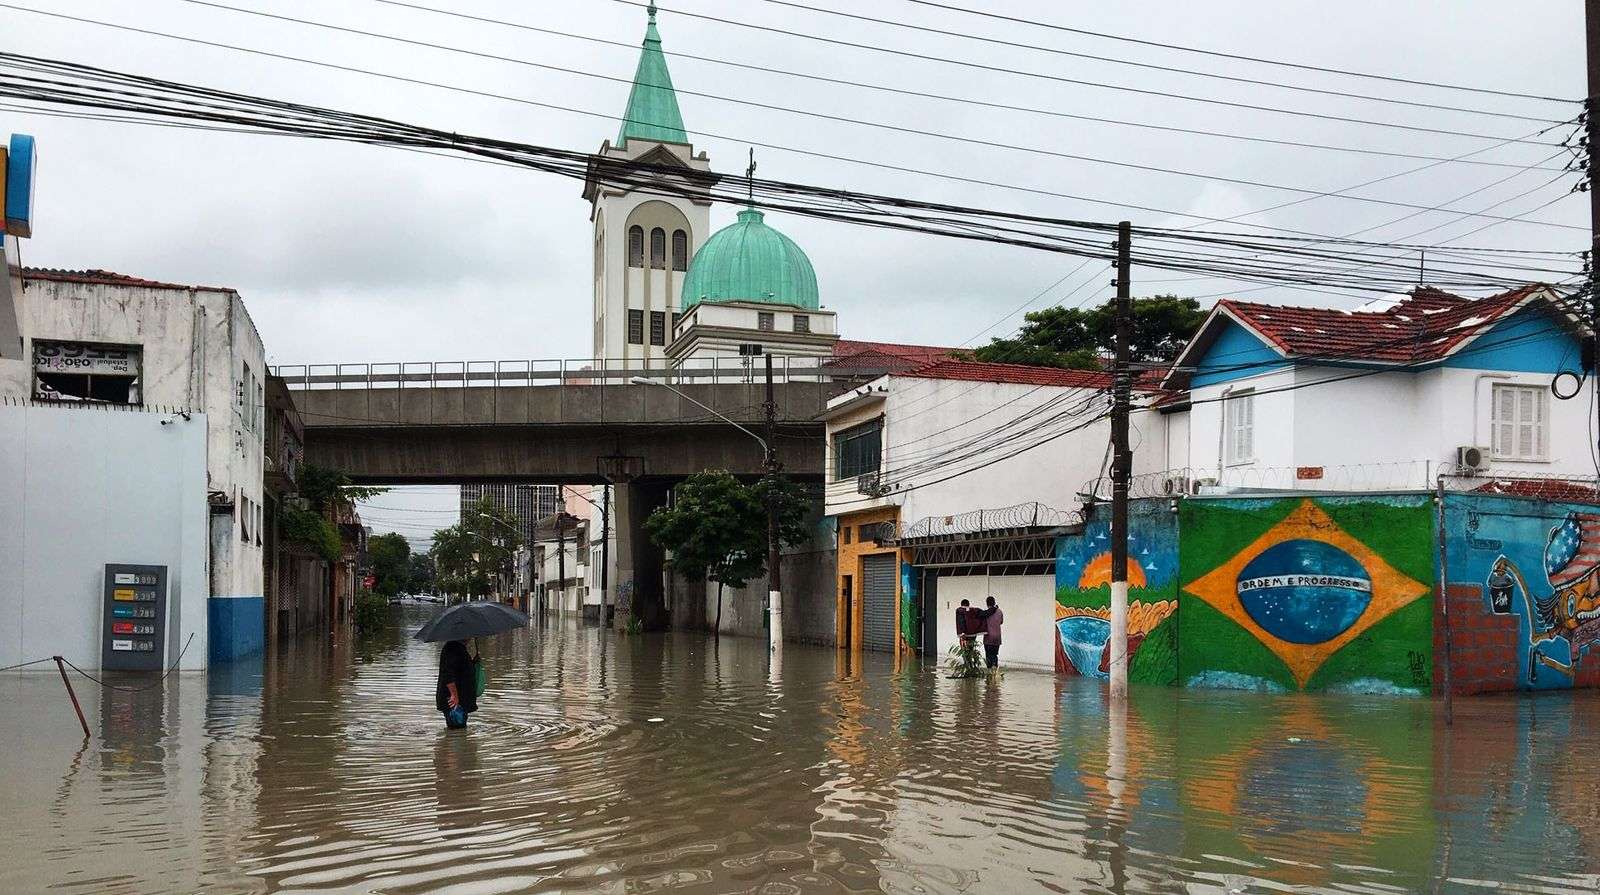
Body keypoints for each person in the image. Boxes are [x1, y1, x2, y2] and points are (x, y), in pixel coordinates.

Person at [435, 638, 478, 729]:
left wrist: (473, 662)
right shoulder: (451, 648)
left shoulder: (459, 648)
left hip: (460, 697)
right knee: (457, 729)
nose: (470, 637)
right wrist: (454, 695)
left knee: (459, 728)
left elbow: (460, 669)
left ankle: (450, 740)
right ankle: (449, 741)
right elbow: (448, 674)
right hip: (453, 699)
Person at [978, 596, 1004, 670]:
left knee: (988, 656)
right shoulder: (1000, 611)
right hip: (997, 638)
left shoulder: (986, 613)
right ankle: (995, 671)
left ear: (987, 603)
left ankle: (990, 673)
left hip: (989, 637)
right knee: (995, 655)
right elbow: (1001, 622)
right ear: (994, 602)